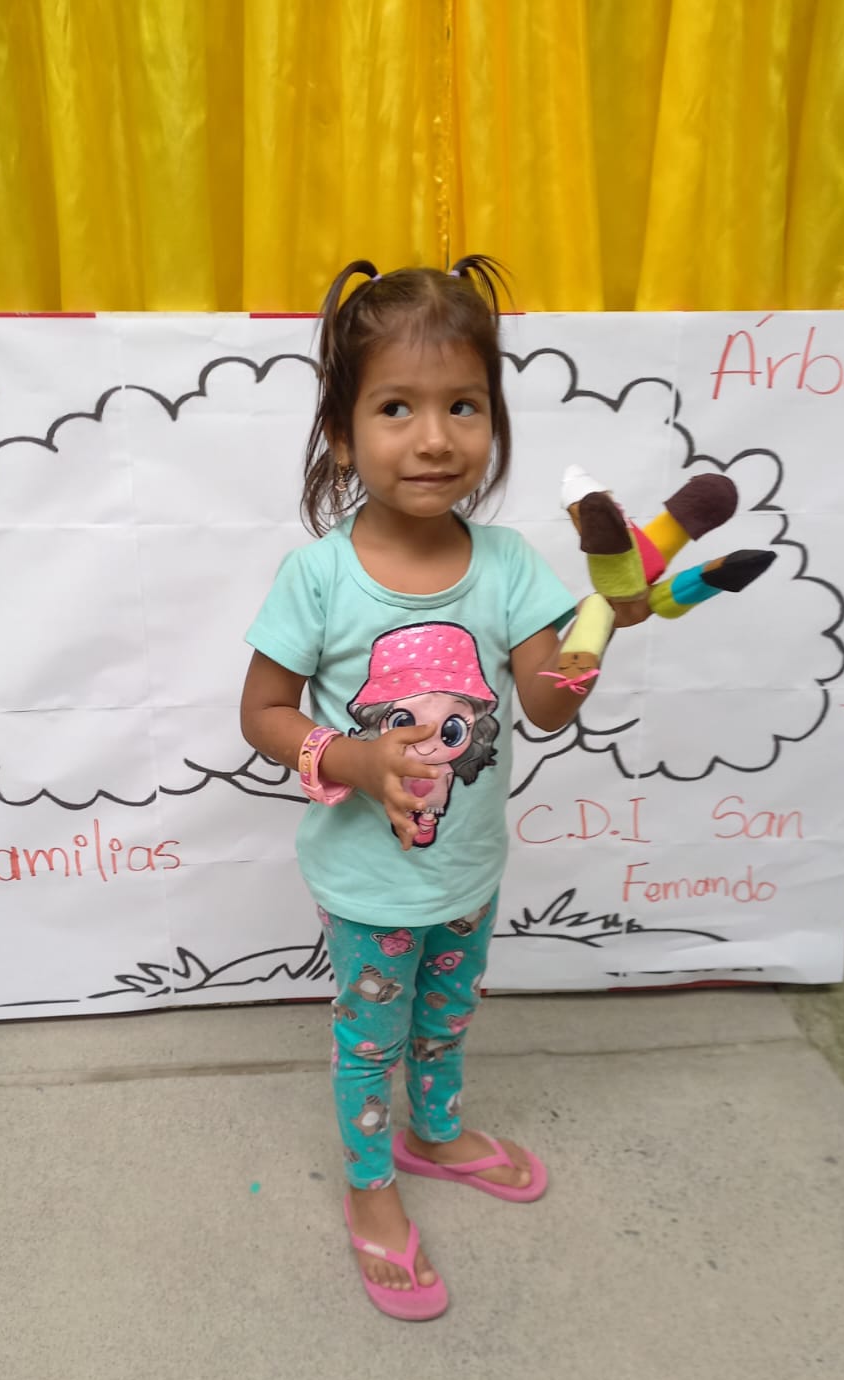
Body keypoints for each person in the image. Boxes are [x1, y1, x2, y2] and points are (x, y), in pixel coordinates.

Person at [240, 256, 587, 1320]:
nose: (434, 437)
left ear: (494, 421)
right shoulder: (320, 577)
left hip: (469, 868)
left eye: (462, 406)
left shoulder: (511, 564)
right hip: (369, 885)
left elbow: (546, 707)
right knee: (370, 1039)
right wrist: (353, 757)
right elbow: (263, 713)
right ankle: (369, 1183)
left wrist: (595, 636)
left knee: (448, 1014)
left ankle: (433, 1132)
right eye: (396, 407)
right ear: (342, 435)